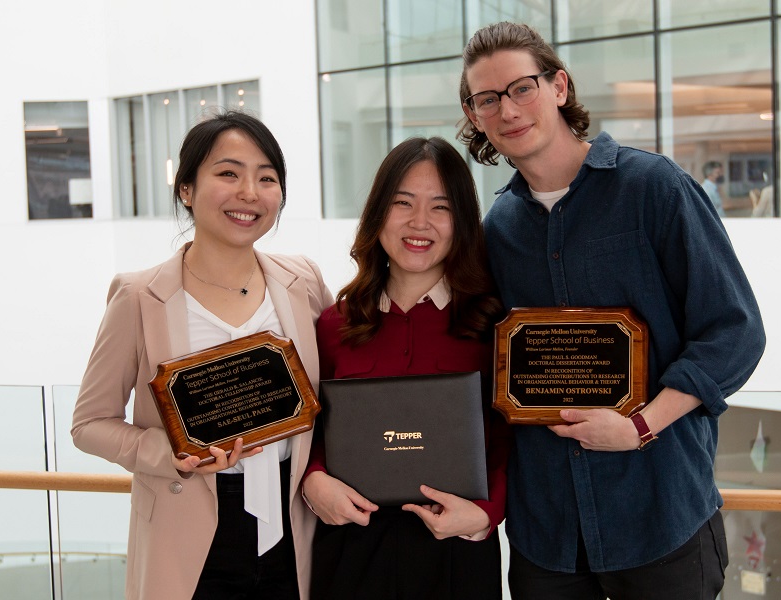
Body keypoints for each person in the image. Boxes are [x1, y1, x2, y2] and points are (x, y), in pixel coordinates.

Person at [457, 22, 766, 600]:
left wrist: (640, 426)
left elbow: (734, 332)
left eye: (522, 87)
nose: (508, 109)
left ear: (559, 87)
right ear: (475, 116)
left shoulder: (655, 189)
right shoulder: (497, 230)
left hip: (660, 518)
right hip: (546, 538)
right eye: (488, 99)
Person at [71, 111, 332, 600]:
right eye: (228, 173)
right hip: (187, 527)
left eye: (267, 178)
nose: (250, 193)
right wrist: (170, 454)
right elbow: (89, 423)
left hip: (294, 519)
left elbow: (338, 394)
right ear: (186, 189)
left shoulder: (304, 282)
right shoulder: (138, 296)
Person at [301, 136, 510, 600]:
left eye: (441, 207)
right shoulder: (335, 323)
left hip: (456, 550)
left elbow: (509, 437)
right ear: (377, 215)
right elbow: (311, 428)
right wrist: (314, 479)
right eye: (403, 203)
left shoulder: (494, 325)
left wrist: (486, 513)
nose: (420, 223)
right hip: (351, 546)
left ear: (463, 222)